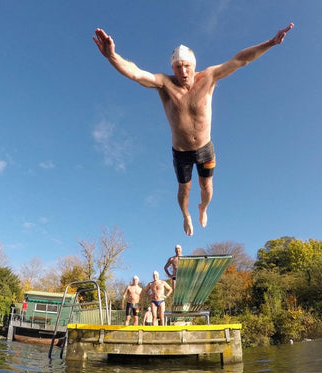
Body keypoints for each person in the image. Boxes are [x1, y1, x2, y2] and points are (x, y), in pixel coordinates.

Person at [93, 24, 294, 236]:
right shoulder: (165, 84)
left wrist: (271, 43)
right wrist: (112, 56)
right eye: (178, 67)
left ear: (193, 65)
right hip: (181, 153)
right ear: (172, 68)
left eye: (186, 66)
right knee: (184, 189)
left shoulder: (208, 77)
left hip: (205, 148)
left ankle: (203, 208)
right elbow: (136, 73)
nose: (183, 71)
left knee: (206, 187)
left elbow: (241, 60)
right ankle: (186, 215)